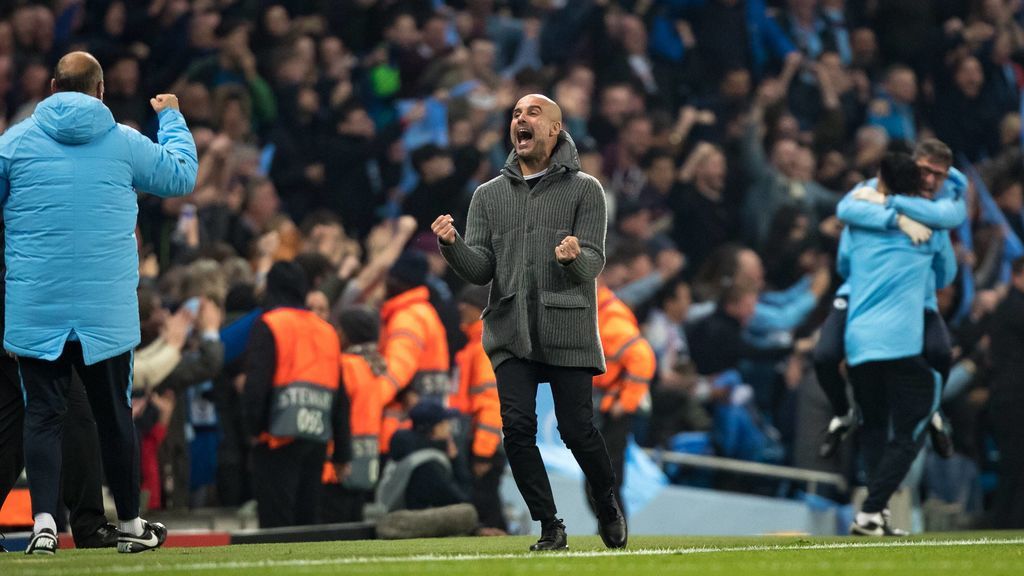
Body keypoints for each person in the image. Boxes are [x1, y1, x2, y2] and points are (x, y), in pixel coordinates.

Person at [0, 51, 198, 554]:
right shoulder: (124, 142)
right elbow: (180, 176)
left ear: (52, 87)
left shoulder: (14, 144)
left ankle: (44, 526)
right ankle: (130, 525)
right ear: (101, 90)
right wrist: (171, 117)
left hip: (36, 306)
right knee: (113, 417)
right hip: (105, 312)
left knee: (42, 416)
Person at [432, 93, 627, 551]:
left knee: (576, 431)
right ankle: (549, 525)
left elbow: (595, 261)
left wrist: (575, 258)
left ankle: (606, 501)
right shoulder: (487, 195)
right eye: (516, 113)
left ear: (556, 129)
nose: (521, 118)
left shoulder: (585, 189)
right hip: (509, 328)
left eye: (533, 113)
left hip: (568, 328)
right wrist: (453, 245)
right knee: (517, 430)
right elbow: (481, 269)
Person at [814, 139, 965, 459]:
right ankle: (842, 414)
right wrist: (898, 219)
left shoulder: (938, 210)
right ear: (911, 165)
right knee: (825, 356)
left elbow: (946, 274)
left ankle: (934, 412)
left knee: (940, 352)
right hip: (860, 294)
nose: (929, 180)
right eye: (924, 171)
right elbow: (845, 220)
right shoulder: (873, 189)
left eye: (939, 175)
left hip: (915, 301)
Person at [839, 152, 958, 536]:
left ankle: (877, 517)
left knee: (874, 426)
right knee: (915, 422)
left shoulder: (859, 221)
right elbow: (946, 275)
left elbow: (844, 263)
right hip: (898, 344)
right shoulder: (929, 229)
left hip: (858, 344)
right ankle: (871, 511)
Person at [243, 261, 351, 528]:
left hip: (277, 436)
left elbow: (256, 384)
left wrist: (253, 428)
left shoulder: (270, 324)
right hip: (316, 434)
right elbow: (340, 396)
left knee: (276, 522)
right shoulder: (327, 330)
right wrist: (342, 451)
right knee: (307, 519)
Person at [376, 250, 451, 456]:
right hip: (426, 422)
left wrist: (369, 400)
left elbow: (397, 370)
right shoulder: (425, 312)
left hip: (403, 428)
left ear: (400, 282)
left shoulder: (408, 317)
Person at [592, 282, 655, 517]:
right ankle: (610, 529)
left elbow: (643, 358)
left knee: (606, 481)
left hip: (613, 412)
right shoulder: (601, 314)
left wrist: (625, 403)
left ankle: (615, 530)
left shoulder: (612, 320)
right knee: (599, 481)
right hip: (604, 408)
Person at [450, 284, 506, 532]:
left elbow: (491, 402)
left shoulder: (484, 347)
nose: (461, 307)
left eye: (468, 303)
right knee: (487, 507)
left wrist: (483, 453)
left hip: (483, 444)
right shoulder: (476, 346)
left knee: (485, 507)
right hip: (477, 440)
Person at [987, 257, 1024, 529]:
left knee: (1015, 465)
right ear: (1016, 276)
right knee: (1015, 464)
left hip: (1008, 396)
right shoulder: (1014, 307)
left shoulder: (1010, 305)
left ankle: (1009, 521)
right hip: (1013, 399)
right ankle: (1007, 522)